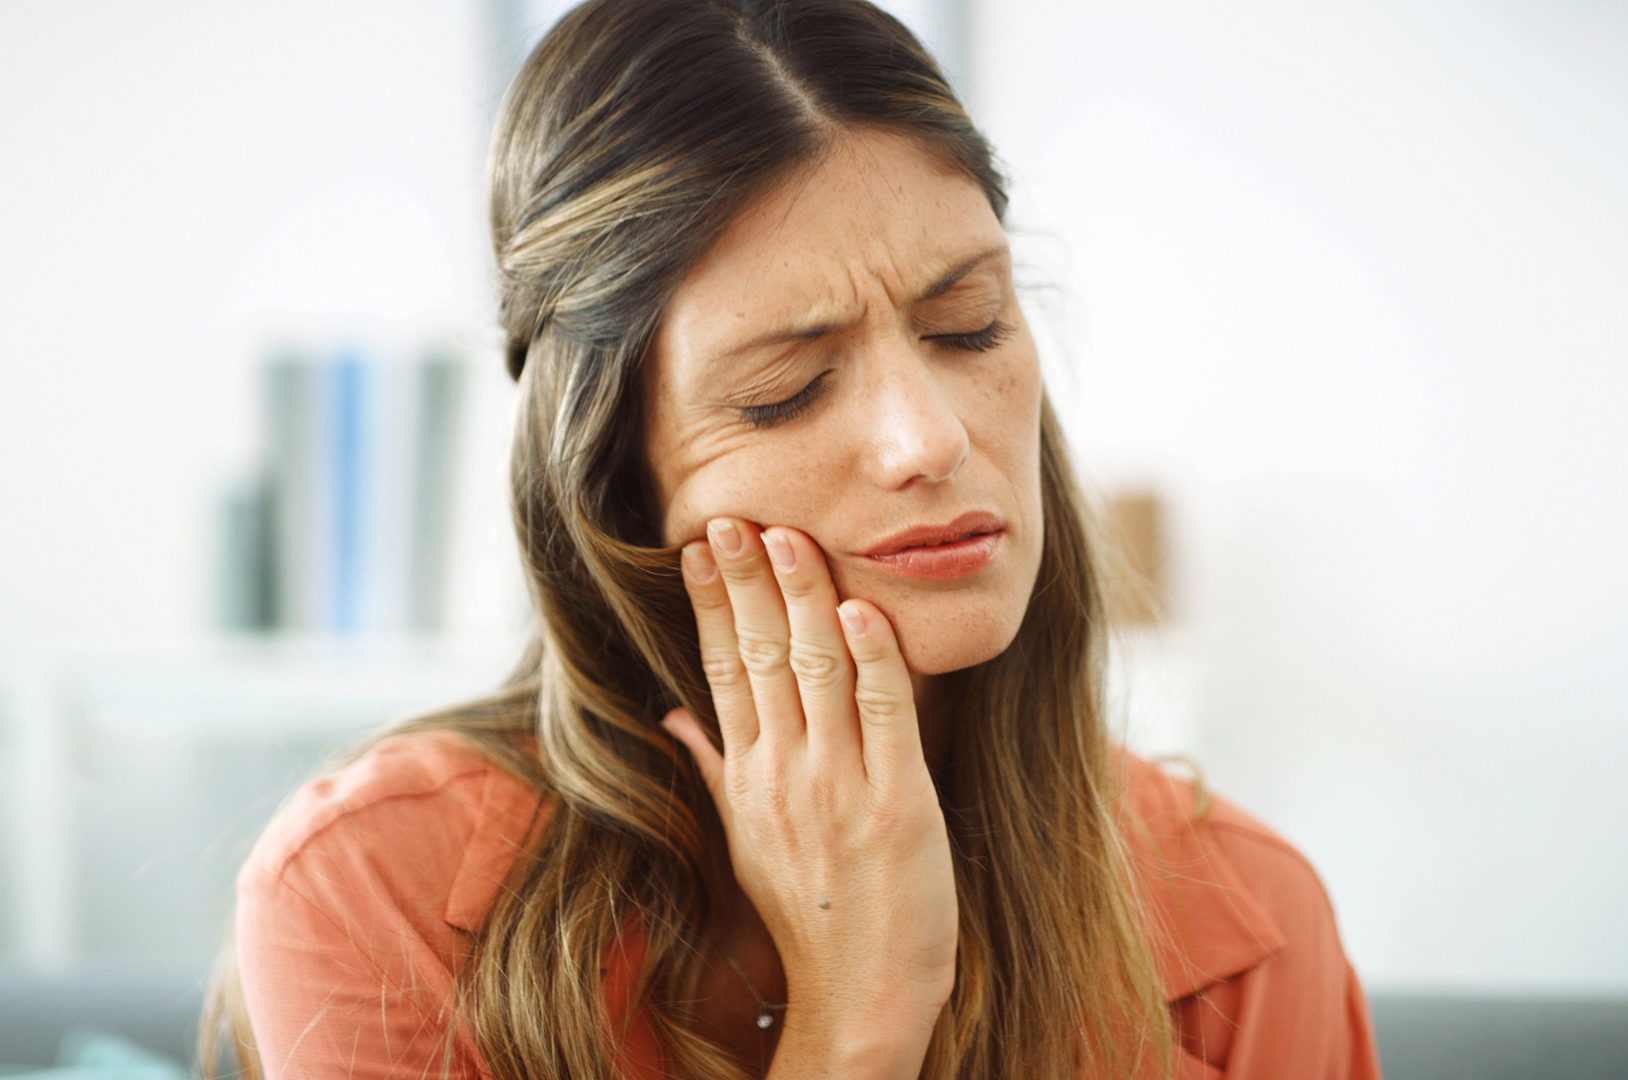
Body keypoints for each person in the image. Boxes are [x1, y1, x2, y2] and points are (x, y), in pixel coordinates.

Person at [205, 1, 1382, 1077]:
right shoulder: (371, 889)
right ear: (614, 473)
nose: (927, 440)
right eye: (785, 390)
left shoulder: (1252, 919)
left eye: (968, 326)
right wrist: (857, 1016)